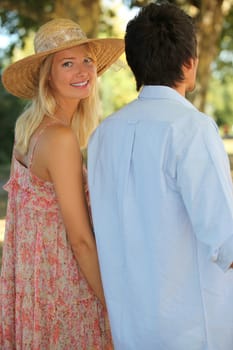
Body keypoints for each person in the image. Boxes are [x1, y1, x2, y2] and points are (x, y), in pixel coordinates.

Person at [87, 2, 233, 350]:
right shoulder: (192, 128)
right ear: (189, 63)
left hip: (130, 328)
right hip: (194, 331)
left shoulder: (102, 136)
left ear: (135, 66)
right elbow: (225, 237)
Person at [0, 17, 124, 349]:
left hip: (37, 291)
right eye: (67, 63)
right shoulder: (59, 138)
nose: (82, 71)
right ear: (48, 78)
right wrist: (116, 306)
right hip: (66, 295)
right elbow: (80, 240)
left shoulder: (29, 130)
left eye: (87, 60)